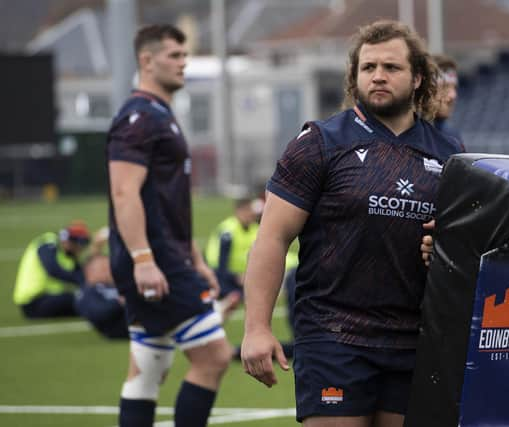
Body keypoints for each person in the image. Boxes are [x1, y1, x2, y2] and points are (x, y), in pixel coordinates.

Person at [240, 20, 464, 427]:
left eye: (391, 68)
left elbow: (459, 243)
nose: (378, 75)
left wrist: (443, 251)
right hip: (333, 337)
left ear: (417, 78)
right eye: (368, 67)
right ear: (354, 76)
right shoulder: (320, 143)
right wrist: (256, 328)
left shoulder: (450, 153)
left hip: (414, 341)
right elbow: (272, 238)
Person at [106, 24, 232, 427]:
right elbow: (124, 193)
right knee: (213, 357)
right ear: (146, 60)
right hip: (155, 261)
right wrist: (144, 259)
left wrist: (194, 257)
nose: (183, 63)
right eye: (174, 56)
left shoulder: (160, 114)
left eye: (184, 56)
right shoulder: (139, 117)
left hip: (167, 257)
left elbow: (168, 203)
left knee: (148, 365)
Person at [205, 197, 297, 358]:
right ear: (238, 211)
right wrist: (237, 277)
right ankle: (212, 331)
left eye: (252, 212)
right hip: (221, 278)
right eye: (247, 211)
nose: (251, 215)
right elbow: (219, 267)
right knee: (235, 299)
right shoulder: (228, 232)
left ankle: (218, 337)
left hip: (246, 279)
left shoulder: (255, 229)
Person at [13, 220, 90, 318]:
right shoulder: (47, 244)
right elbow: (53, 270)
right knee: (83, 300)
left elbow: (80, 273)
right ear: (70, 242)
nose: (80, 250)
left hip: (47, 299)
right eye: (79, 246)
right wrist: (86, 284)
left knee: (83, 299)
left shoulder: (66, 254)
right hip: (34, 302)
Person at [432, 54, 463, 144]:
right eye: (444, 87)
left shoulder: (453, 137)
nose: (453, 95)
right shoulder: (405, 133)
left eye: (454, 87)